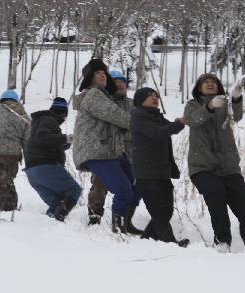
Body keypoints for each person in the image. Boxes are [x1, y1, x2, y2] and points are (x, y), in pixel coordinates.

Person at [184, 73, 245, 253]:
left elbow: (236, 116)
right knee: (216, 193)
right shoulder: (192, 105)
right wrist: (209, 106)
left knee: (244, 207)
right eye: (206, 82)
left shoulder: (225, 103)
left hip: (229, 167)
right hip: (202, 166)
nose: (210, 83)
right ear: (199, 87)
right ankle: (222, 242)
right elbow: (192, 120)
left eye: (214, 81)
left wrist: (236, 97)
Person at [72, 59, 140, 234]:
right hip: (98, 151)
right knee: (123, 190)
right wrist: (145, 126)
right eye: (97, 73)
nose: (103, 75)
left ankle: (126, 223)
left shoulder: (104, 96)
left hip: (111, 151)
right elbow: (115, 115)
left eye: (104, 73)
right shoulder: (94, 94)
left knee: (134, 186)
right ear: (89, 79)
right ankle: (118, 228)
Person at [130, 87, 189, 247]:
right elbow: (158, 132)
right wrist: (180, 123)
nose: (155, 98)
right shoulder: (138, 116)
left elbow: (169, 128)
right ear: (140, 100)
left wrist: (182, 121)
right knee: (160, 211)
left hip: (162, 172)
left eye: (156, 96)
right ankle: (170, 244)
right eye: (150, 96)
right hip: (147, 173)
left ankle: (146, 240)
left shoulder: (156, 116)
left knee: (166, 210)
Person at [87, 69, 134, 226]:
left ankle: (123, 217)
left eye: (123, 83)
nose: (120, 85)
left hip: (129, 151)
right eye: (116, 82)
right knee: (99, 183)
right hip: (106, 150)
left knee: (128, 185)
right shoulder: (103, 103)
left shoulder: (133, 104)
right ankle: (95, 214)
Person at [24, 97, 82, 221]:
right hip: (45, 167)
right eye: (64, 118)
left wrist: (67, 143)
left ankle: (52, 226)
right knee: (74, 190)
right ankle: (59, 218)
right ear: (61, 114)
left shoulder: (39, 122)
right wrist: (66, 138)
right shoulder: (49, 120)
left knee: (57, 204)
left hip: (33, 173)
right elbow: (43, 138)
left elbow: (45, 143)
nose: (63, 121)